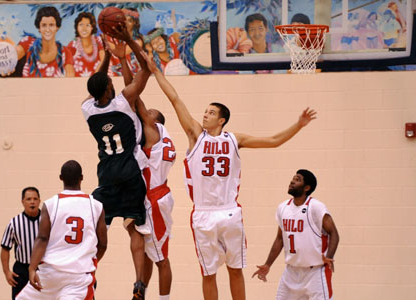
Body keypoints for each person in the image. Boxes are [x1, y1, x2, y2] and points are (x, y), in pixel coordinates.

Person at [144, 55, 317, 300]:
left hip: (228, 211)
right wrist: (156, 72)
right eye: (205, 111)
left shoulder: (235, 140)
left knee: (236, 270)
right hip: (203, 212)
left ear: (221, 120)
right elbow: (175, 99)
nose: (205, 115)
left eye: (211, 113)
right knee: (208, 273)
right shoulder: (195, 134)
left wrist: (298, 125)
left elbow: (274, 141)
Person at [81, 22, 152, 300]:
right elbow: (146, 70)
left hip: (107, 174)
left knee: (100, 228)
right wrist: (126, 47)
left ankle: (90, 272)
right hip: (130, 170)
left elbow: (95, 82)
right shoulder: (124, 101)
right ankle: (138, 282)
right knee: (134, 226)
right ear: (110, 88)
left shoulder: (87, 110)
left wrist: (108, 56)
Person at [113, 41, 176, 300]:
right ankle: (142, 291)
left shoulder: (155, 131)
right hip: (144, 195)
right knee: (149, 252)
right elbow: (133, 98)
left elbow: (136, 97)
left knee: (162, 257)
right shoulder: (153, 133)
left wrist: (125, 59)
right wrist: (124, 60)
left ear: (156, 121)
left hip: (154, 197)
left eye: (150, 113)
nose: (145, 112)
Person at [16, 160, 107, 300]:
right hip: (78, 276)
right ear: (81, 178)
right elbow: (103, 244)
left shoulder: (50, 204)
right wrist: (88, 261)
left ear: (61, 178)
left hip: (51, 274)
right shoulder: (96, 205)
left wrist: (32, 268)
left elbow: (42, 238)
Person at [252, 170, 339, 300]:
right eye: (293, 178)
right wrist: (268, 264)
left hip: (315, 272)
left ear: (307, 188)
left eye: (297, 179)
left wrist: (329, 257)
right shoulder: (283, 208)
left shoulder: (316, 207)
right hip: (291, 272)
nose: (292, 181)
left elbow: (334, 233)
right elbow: (280, 239)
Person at [0, 186, 41, 299]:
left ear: (39, 201)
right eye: (28, 199)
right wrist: (6, 271)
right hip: (22, 270)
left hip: (43, 269)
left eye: (35, 199)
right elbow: (5, 248)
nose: (32, 202)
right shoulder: (14, 223)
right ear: (22, 201)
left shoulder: (47, 221)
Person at [15, 6, 74, 77]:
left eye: (51, 25)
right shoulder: (28, 43)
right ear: (39, 28)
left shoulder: (65, 52)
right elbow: (9, 57)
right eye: (44, 25)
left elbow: (71, 81)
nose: (47, 29)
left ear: (57, 27)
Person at [67, 12, 105, 77]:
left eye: (87, 25)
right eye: (81, 25)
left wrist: (95, 79)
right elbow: (69, 68)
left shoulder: (98, 41)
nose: (84, 28)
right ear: (77, 27)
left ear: (92, 27)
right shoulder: (72, 45)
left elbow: (103, 60)